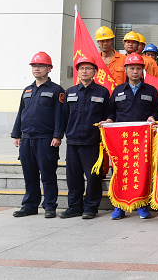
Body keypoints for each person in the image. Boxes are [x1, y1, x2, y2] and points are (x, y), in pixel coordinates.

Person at [102, 53, 158, 220]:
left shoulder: (151, 91)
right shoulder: (118, 90)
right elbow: (111, 111)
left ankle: (141, 205)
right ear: (126, 70)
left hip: (142, 140)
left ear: (143, 71)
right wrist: (108, 120)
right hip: (121, 140)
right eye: (132, 68)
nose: (135, 71)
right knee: (120, 171)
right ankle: (119, 206)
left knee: (142, 170)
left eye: (138, 68)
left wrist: (153, 117)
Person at [11, 52, 65, 219]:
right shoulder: (27, 90)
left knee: (48, 174)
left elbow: (59, 114)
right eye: (34, 66)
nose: (37, 68)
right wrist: (17, 134)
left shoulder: (57, 90)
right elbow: (21, 112)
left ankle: (50, 206)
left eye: (40, 66)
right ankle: (30, 205)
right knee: (29, 174)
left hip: (46, 139)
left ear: (49, 68)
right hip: (27, 138)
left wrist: (57, 135)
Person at [60, 55, 110, 220]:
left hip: (92, 142)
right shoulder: (70, 92)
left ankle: (90, 207)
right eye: (81, 68)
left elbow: (108, 114)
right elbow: (64, 116)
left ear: (95, 72)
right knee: (73, 176)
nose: (85, 71)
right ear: (78, 72)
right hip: (73, 141)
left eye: (88, 68)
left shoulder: (102, 92)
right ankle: (74, 206)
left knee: (93, 176)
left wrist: (108, 120)